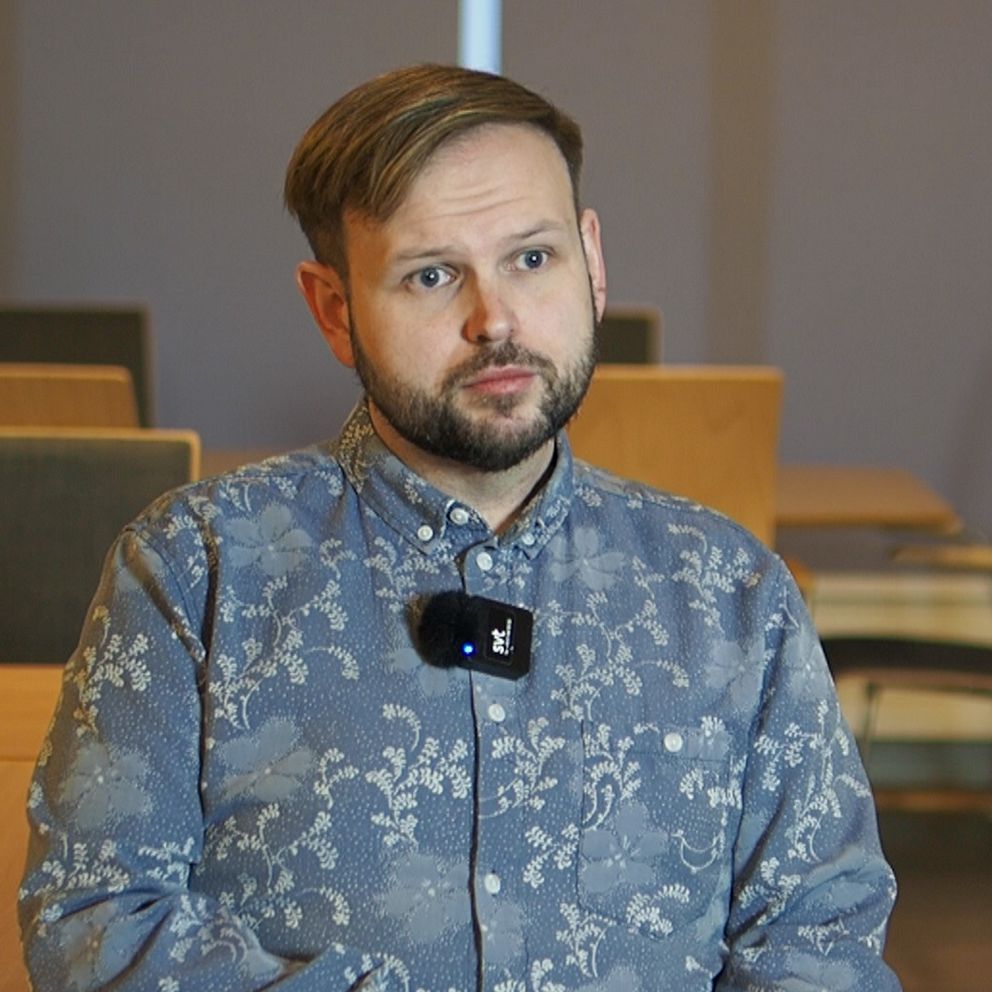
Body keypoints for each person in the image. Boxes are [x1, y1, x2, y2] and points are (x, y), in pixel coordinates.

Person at [20, 64, 901, 991]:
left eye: (533, 258)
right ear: (334, 309)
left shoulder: (733, 594)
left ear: (592, 262)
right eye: (431, 275)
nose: (496, 319)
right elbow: (94, 919)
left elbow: (819, 938)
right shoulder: (194, 570)